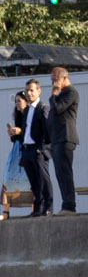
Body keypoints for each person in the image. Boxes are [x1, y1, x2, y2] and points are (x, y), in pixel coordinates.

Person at [13, 78, 56, 218]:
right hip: (27, 149)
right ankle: (38, 209)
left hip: (38, 150)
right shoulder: (27, 110)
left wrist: (42, 149)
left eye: (31, 90)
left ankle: (48, 208)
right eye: (27, 90)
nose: (29, 93)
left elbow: (48, 131)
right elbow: (26, 131)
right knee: (34, 181)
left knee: (43, 179)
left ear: (39, 90)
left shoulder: (43, 108)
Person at [53, 66, 80, 213]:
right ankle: (66, 204)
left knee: (65, 172)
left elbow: (57, 109)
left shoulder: (71, 92)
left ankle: (69, 206)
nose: (53, 83)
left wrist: (55, 93)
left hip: (66, 137)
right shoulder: (62, 94)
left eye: (55, 80)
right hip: (57, 138)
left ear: (64, 78)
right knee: (60, 173)